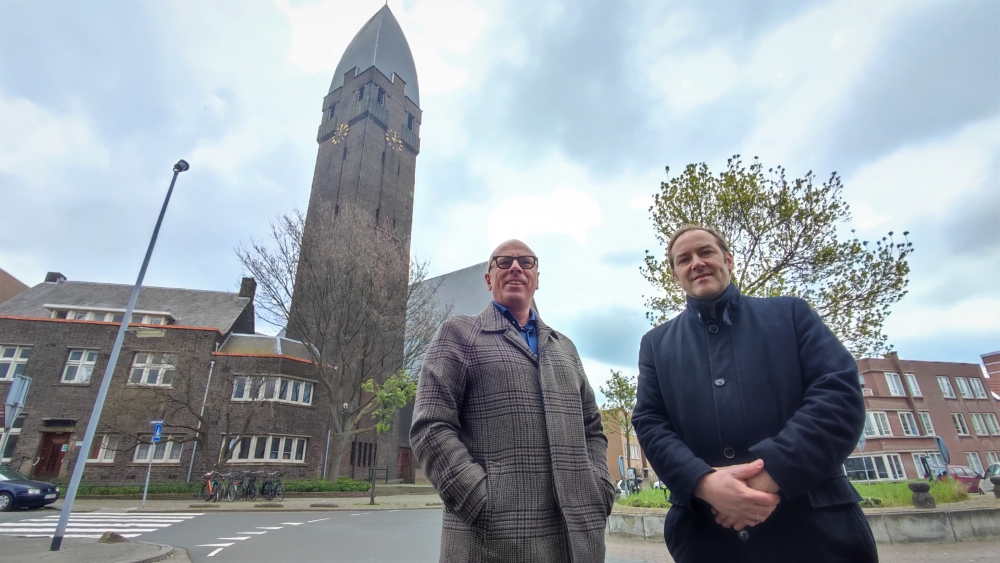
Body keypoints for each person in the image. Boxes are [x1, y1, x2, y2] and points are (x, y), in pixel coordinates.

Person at [632, 225, 877, 562]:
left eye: (706, 252)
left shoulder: (791, 313)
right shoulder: (655, 345)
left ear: (728, 260)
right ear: (676, 276)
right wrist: (703, 482)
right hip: (707, 540)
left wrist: (768, 476)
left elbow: (837, 396)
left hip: (819, 534)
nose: (697, 263)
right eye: (684, 259)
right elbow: (650, 423)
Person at [410, 239, 614, 563]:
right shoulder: (459, 334)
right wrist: (479, 500)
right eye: (503, 262)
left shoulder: (566, 348)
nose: (515, 267)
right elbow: (430, 426)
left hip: (578, 542)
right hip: (491, 543)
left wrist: (600, 486)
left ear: (536, 278)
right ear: (489, 279)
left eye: (526, 262)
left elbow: (592, 427)